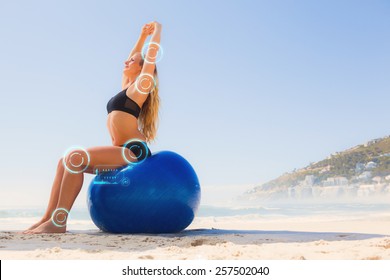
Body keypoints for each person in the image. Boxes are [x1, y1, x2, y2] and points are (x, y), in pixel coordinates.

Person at [23, 21, 162, 234]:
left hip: (135, 152)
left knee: (74, 158)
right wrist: (142, 36)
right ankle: (47, 219)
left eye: (132, 61)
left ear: (143, 69)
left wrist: (157, 31)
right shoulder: (127, 86)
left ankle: (59, 224)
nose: (126, 61)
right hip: (121, 150)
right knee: (64, 161)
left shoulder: (141, 87)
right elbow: (134, 56)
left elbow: (149, 57)